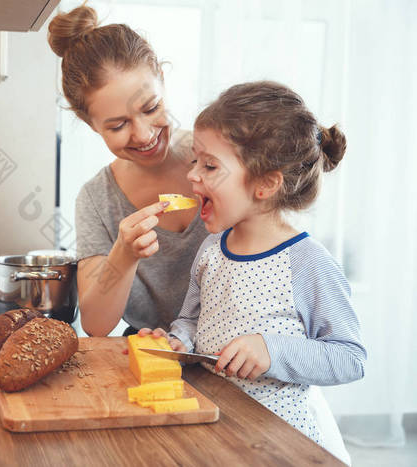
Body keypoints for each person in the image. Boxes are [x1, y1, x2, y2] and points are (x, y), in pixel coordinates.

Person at [144, 81, 366, 461]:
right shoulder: (212, 249)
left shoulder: (307, 263)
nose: (194, 175)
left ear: (266, 183)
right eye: (195, 161)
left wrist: (272, 350)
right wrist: (178, 341)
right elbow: (192, 320)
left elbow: (350, 358)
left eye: (210, 165)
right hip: (220, 433)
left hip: (281, 446)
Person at [47, 5, 209, 337]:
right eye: (118, 125)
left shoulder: (223, 159)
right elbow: (95, 325)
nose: (144, 134)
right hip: (149, 359)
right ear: (90, 124)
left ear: (162, 81)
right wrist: (123, 254)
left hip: (238, 359)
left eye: (151, 108)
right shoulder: (97, 199)